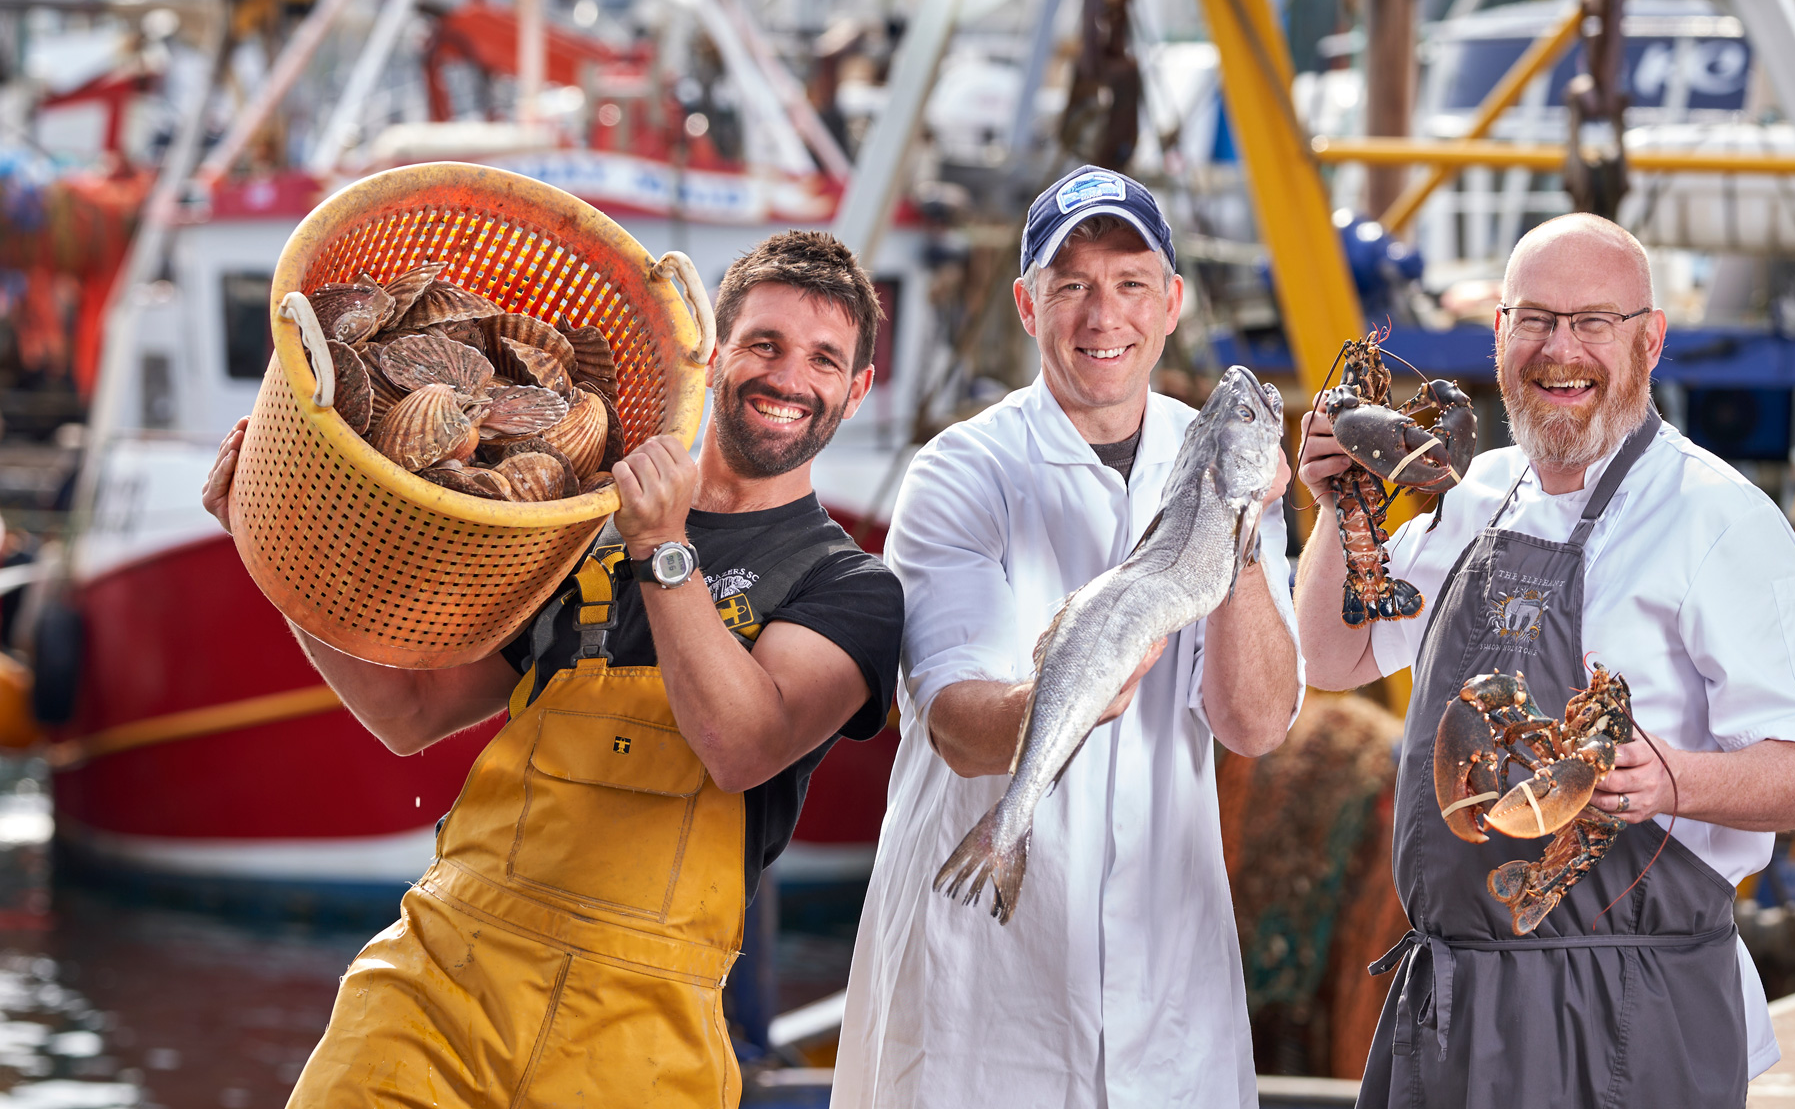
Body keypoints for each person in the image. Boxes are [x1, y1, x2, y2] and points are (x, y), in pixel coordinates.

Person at [202, 231, 904, 1107]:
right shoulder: (575, 527)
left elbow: (741, 743)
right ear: (717, 353)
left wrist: (662, 545)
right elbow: (410, 712)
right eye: (764, 343)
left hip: (635, 1034)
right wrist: (273, 549)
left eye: (824, 359)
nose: (788, 376)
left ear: (857, 389)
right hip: (443, 977)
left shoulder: (850, 587)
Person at [1293, 213, 1795, 1107]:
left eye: (1594, 322)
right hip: (1454, 1002)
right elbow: (1331, 653)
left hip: (1629, 1007)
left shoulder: (1719, 520)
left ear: (1651, 340)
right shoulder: (1471, 494)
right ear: (1501, 335)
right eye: (1537, 320)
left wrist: (1672, 780)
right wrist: (1336, 508)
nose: (1562, 351)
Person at [834, 166, 1304, 1109]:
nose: (1105, 316)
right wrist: (1072, 695)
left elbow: (1254, 724)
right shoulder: (961, 470)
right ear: (1027, 304)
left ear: (1171, 303)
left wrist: (1240, 528)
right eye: (1072, 285)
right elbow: (957, 727)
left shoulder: (1221, 460)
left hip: (1169, 994)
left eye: (1131, 284)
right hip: (985, 988)